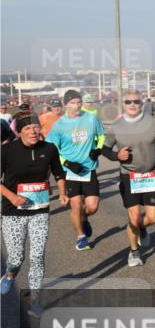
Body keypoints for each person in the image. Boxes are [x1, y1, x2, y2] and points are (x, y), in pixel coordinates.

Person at [0, 111, 68, 317]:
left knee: (37, 256)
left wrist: (63, 193)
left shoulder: (49, 148)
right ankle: (9, 274)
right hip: (13, 211)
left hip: (40, 210)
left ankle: (35, 300)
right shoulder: (7, 151)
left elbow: (59, 174)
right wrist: (12, 197)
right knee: (16, 258)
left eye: (36, 127)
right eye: (27, 128)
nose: (33, 131)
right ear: (19, 131)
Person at [101, 90, 155, 267]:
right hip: (129, 176)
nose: (132, 104)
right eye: (128, 102)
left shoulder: (153, 122)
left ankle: (142, 227)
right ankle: (134, 252)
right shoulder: (116, 126)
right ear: (123, 104)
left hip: (150, 174)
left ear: (141, 104)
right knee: (133, 217)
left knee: (153, 217)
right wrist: (117, 155)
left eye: (136, 101)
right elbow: (104, 149)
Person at [44, 90, 105, 251]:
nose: (76, 106)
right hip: (69, 171)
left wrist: (97, 149)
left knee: (92, 206)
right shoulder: (59, 125)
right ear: (66, 104)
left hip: (88, 168)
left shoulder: (91, 118)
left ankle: (83, 218)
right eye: (72, 103)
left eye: (79, 102)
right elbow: (52, 149)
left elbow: (101, 135)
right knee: (76, 206)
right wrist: (67, 163)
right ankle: (81, 237)